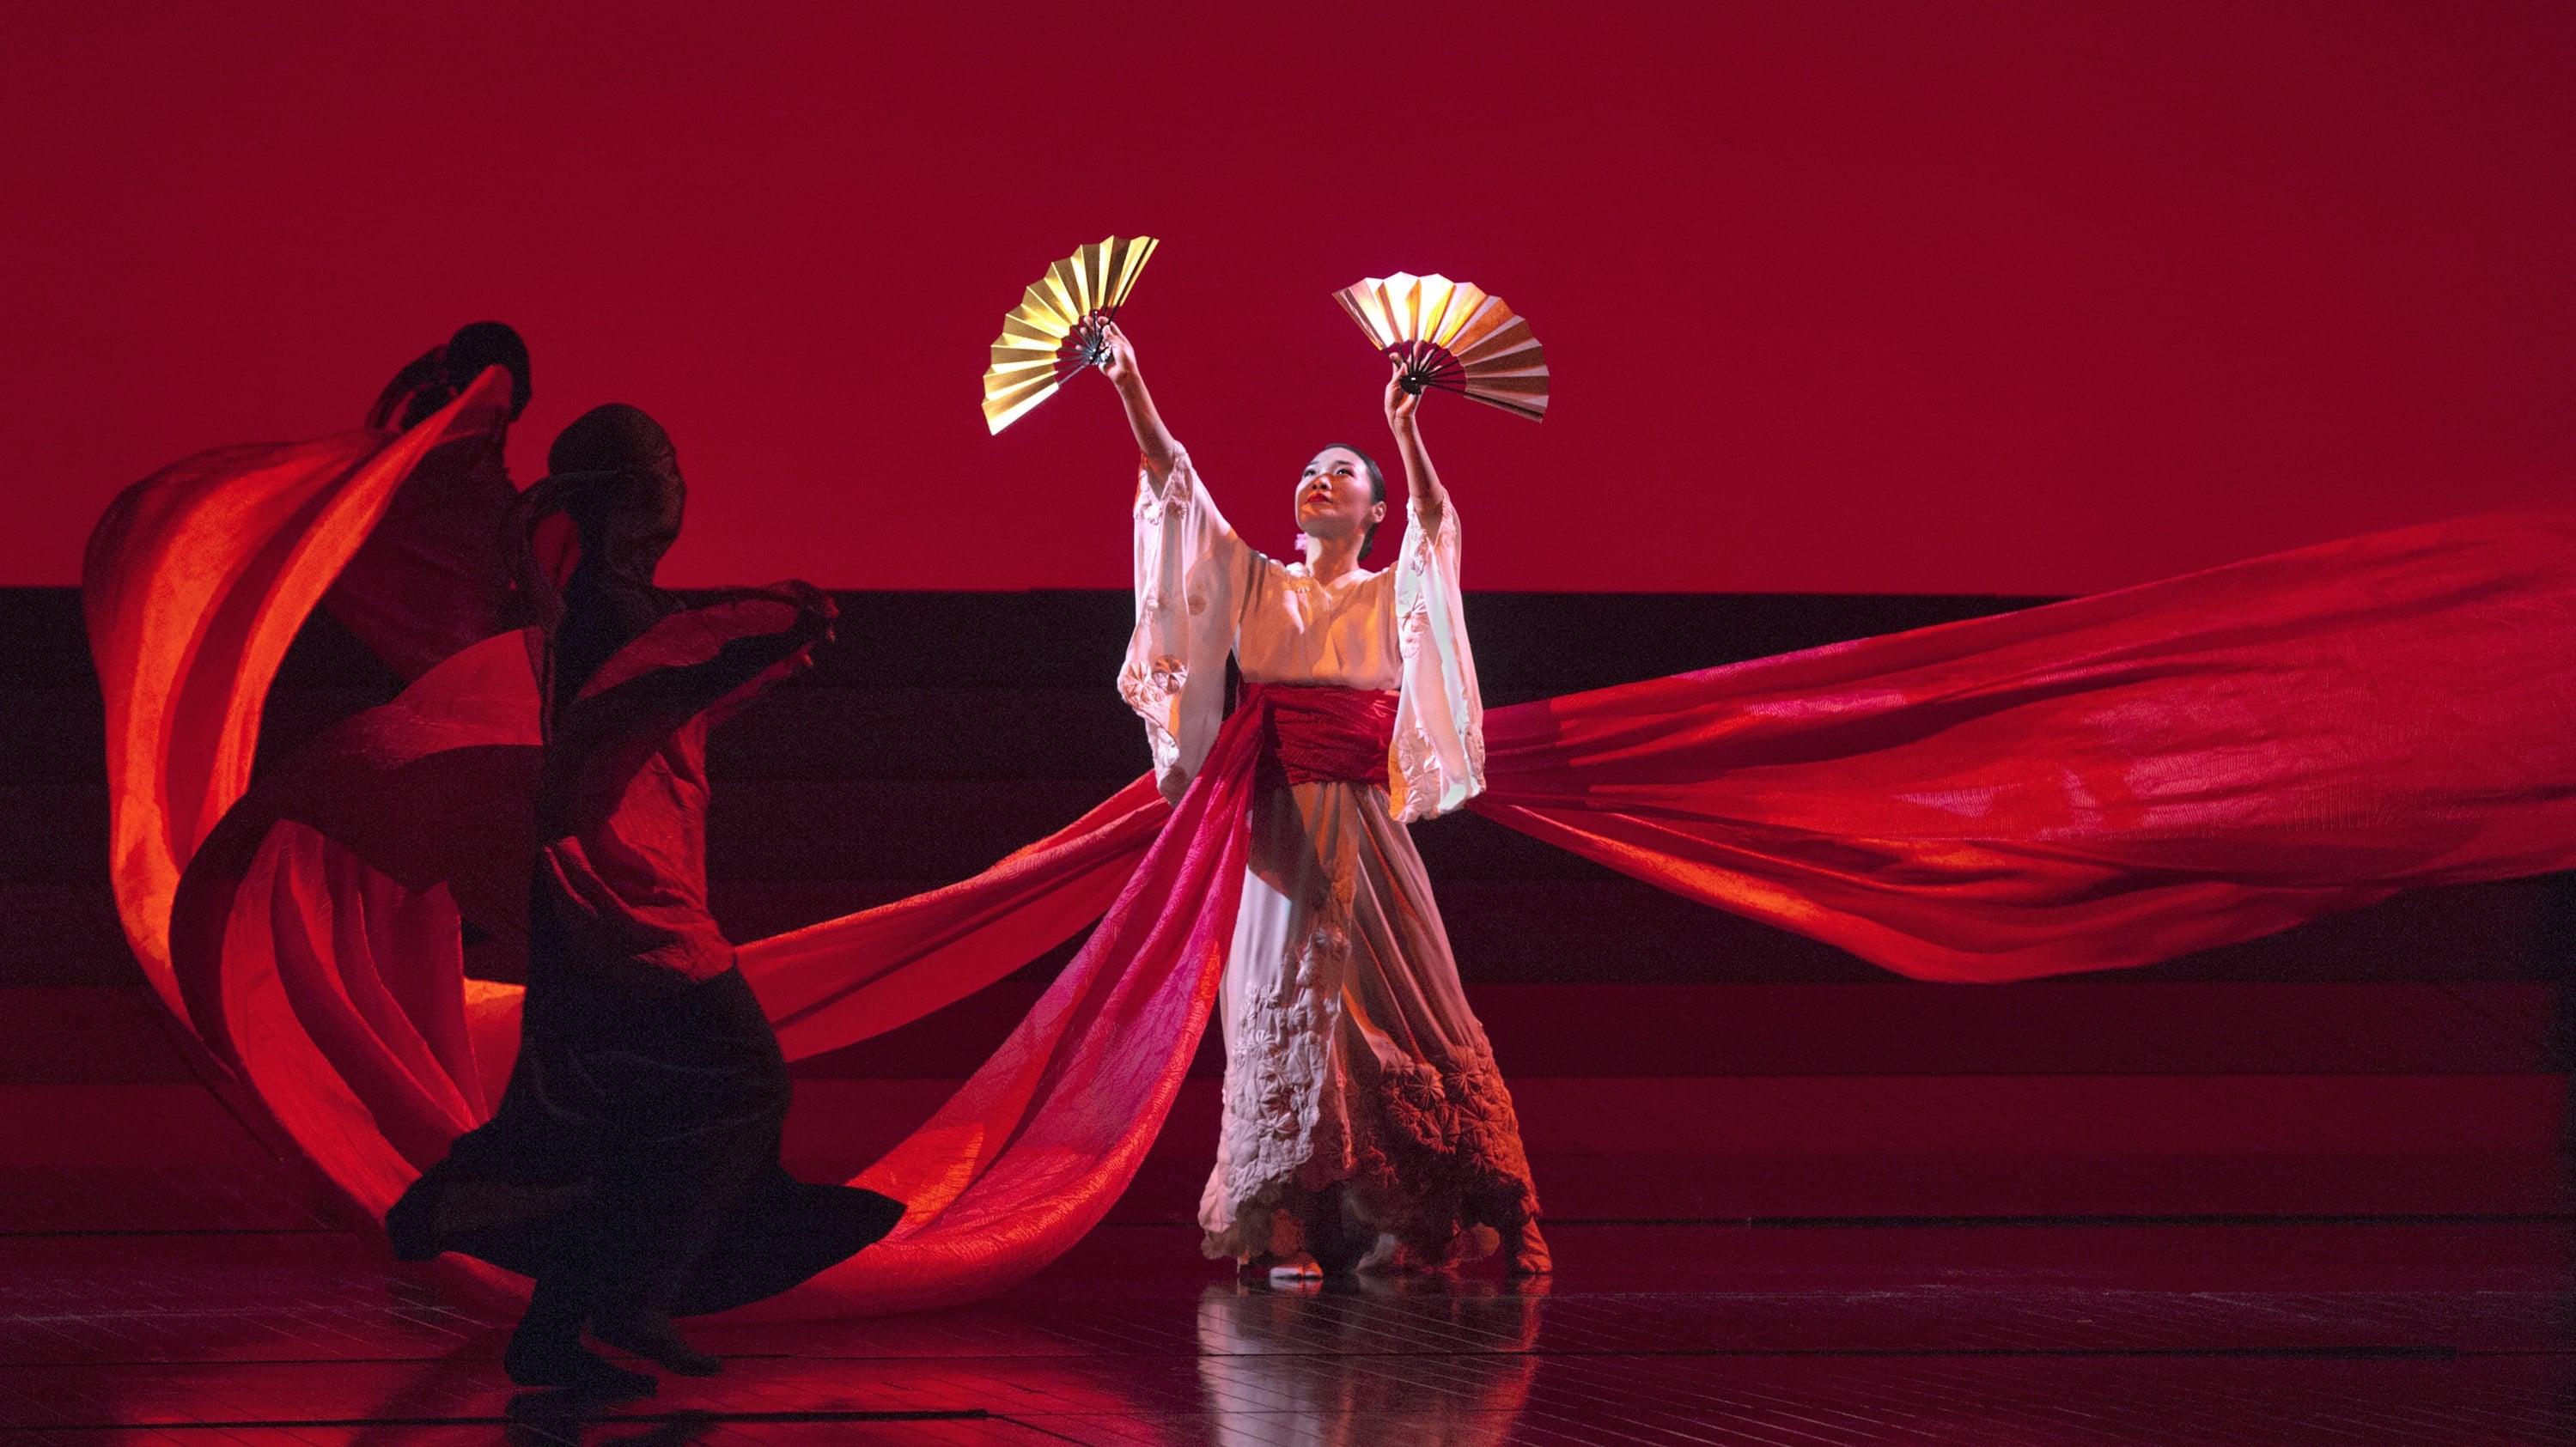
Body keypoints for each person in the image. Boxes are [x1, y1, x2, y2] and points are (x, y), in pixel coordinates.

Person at [385, 404, 902, 1392]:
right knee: (744, 1083)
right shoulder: (611, 613)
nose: (682, 490)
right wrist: (762, 631)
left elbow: (664, 688)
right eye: (667, 471)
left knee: (624, 1118)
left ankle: (552, 1330)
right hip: (623, 900)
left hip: (604, 888)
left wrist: (755, 644)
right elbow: (636, 699)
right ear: (631, 494)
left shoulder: (606, 603)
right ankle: (618, 1284)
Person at [1099, 322, 1550, 1279]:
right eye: (1309, 470)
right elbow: (1173, 480)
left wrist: (1403, 428)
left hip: (1365, 823)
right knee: (1277, 1004)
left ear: (1371, 510)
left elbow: (1436, 532)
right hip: (1273, 829)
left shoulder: (1393, 590)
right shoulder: (1256, 578)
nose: (1319, 479)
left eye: (1342, 474)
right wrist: (1130, 378)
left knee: (1400, 999)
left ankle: (1423, 1213)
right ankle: (1279, 1221)